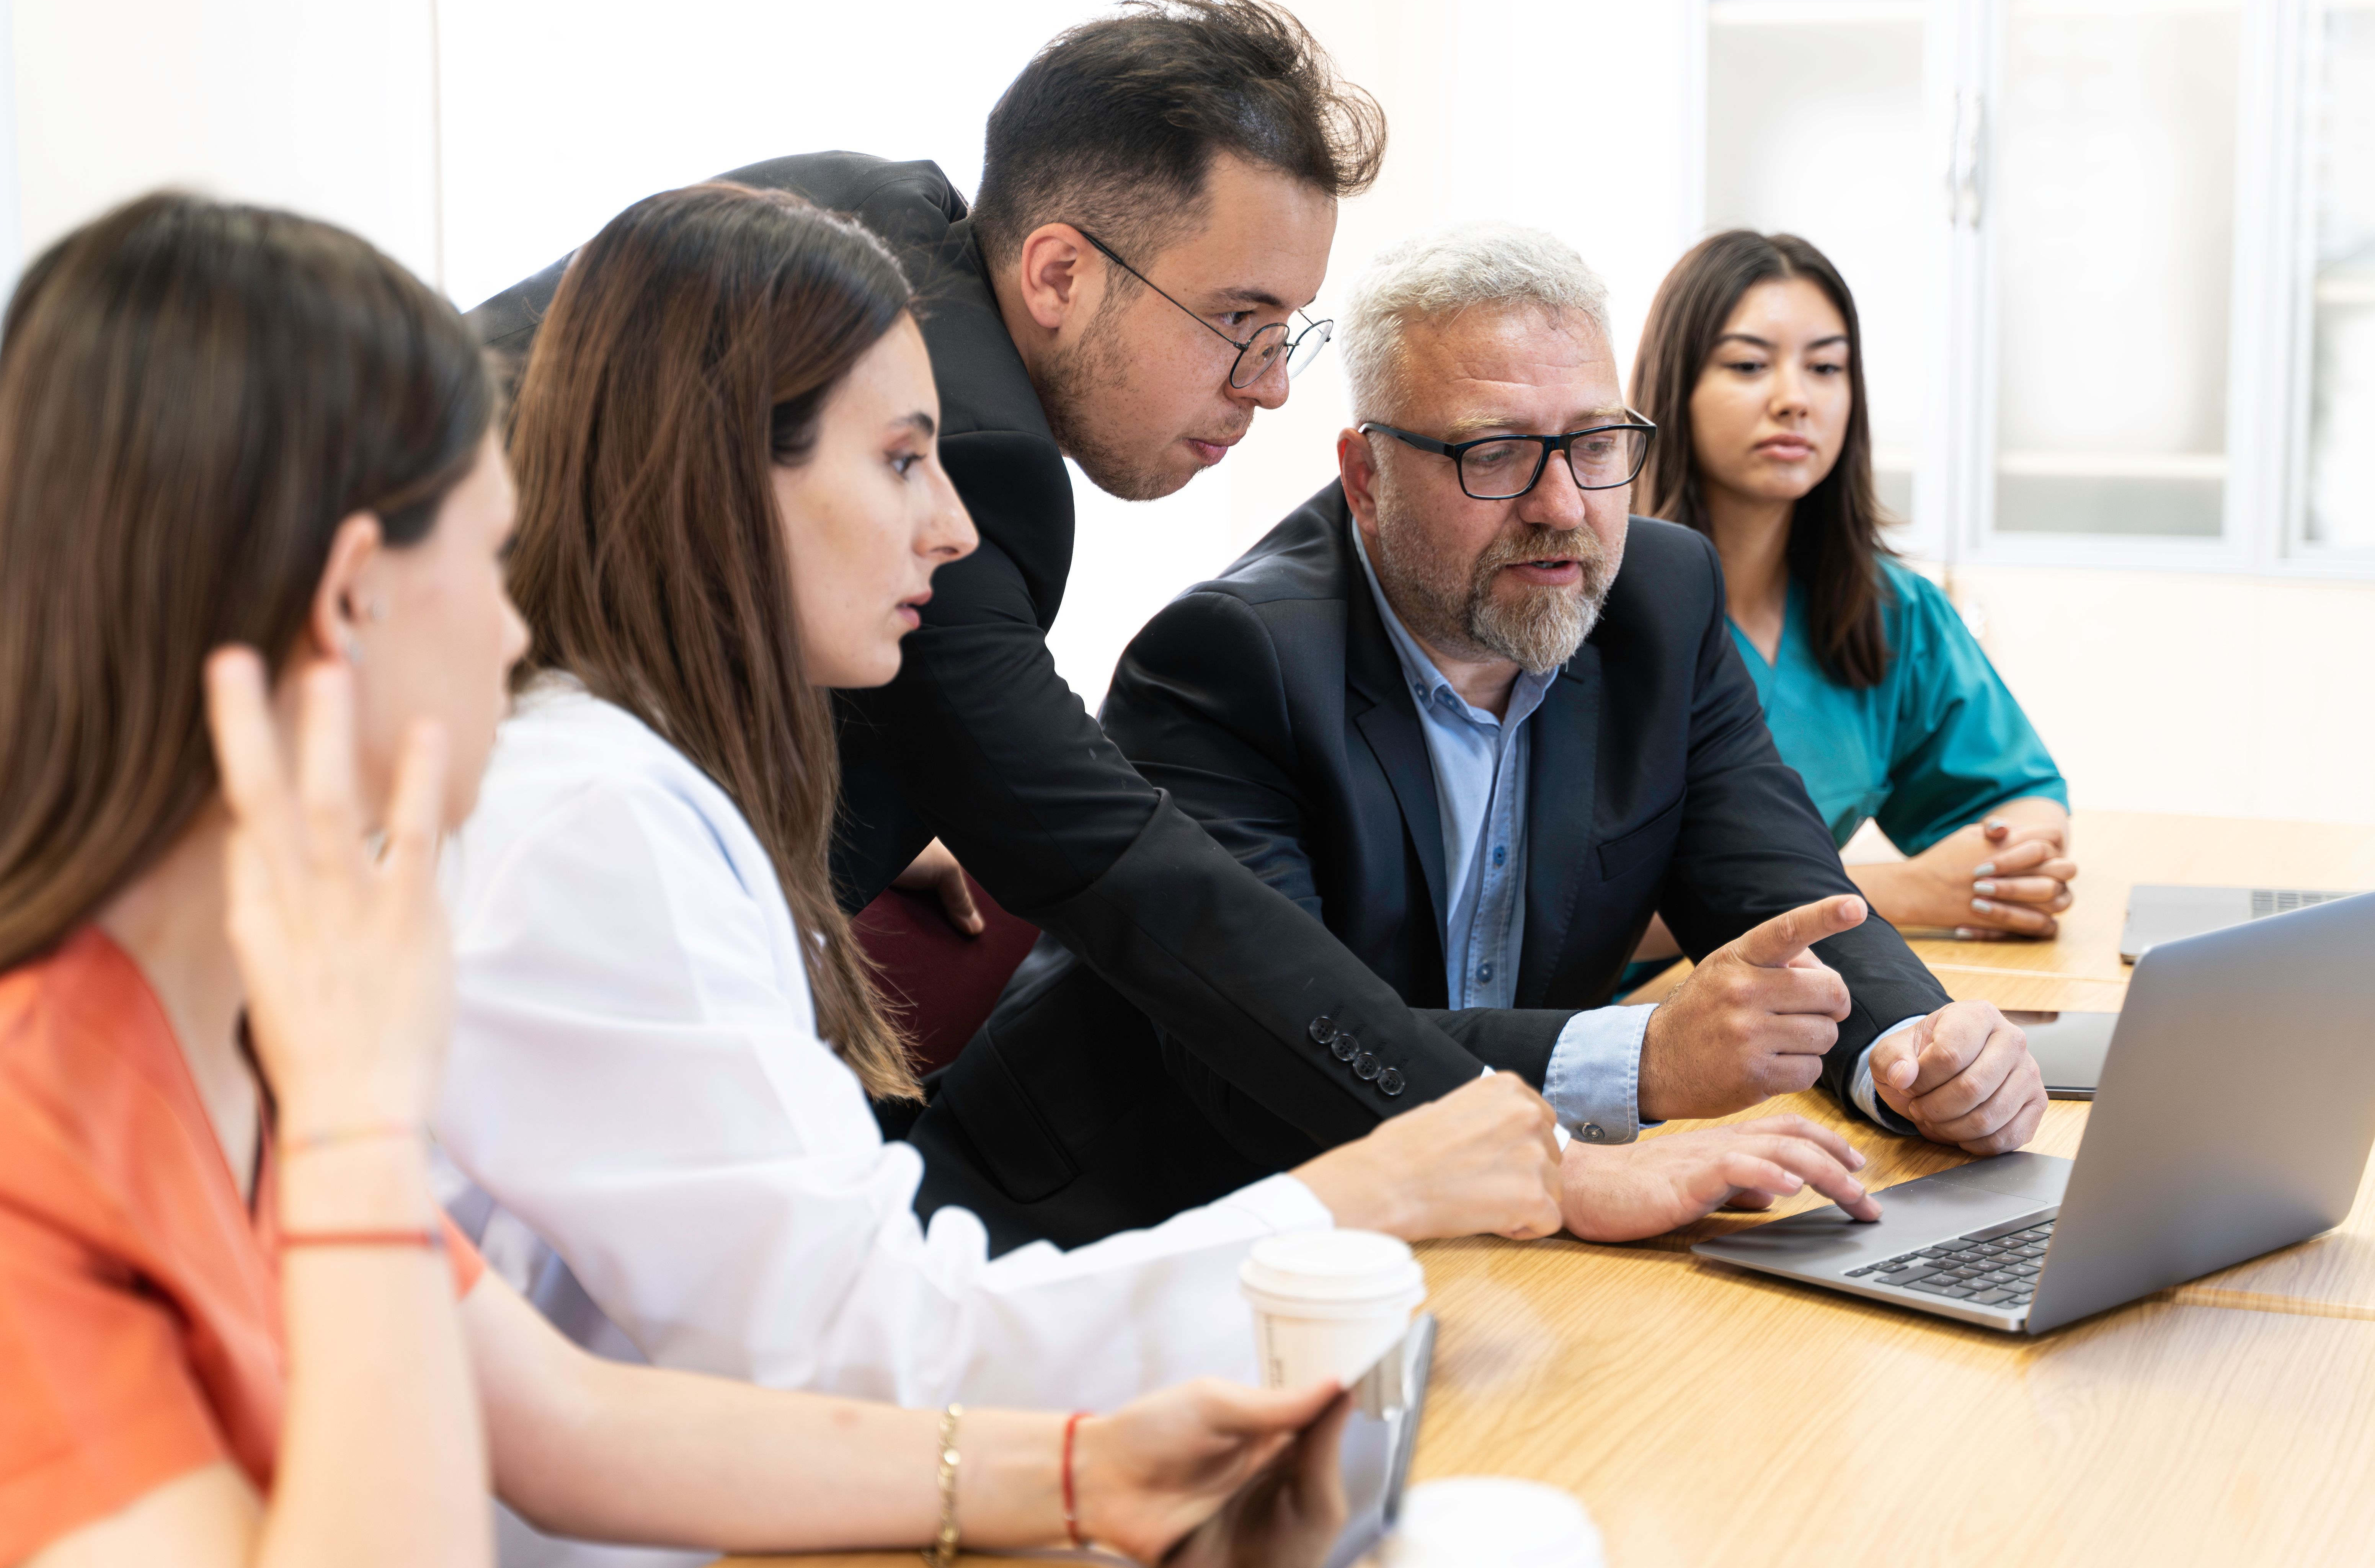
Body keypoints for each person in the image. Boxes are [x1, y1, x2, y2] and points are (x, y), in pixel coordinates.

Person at [0, 192, 1358, 1568]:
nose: (517, 625)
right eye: (485, 558)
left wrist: (1081, 1474)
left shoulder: (235, 1033)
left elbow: (569, 1426)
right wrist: (351, 1135)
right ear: (354, 605)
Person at [439, 181, 1560, 1399]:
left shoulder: (645, 795)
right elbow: (871, 1347)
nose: (953, 529)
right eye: (901, 460)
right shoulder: (603, 829)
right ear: (715, 478)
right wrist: (1360, 1192)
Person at [464, 0, 1573, 1162]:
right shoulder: (978, 459)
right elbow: (1122, 869)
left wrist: (915, 788)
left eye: (1285, 328)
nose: (1269, 385)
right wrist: (1503, 1147)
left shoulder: (862, 203)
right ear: (1056, 275)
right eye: (1237, 320)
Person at [908, 224, 2050, 1250]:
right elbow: (1269, 1059)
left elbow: (1781, 893)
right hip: (1130, 1238)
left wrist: (1915, 1051)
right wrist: (1639, 1061)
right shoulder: (1228, 661)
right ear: (1362, 476)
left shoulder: (1654, 596)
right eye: (1493, 454)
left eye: (1596, 443)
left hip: (1469, 1241)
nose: (1563, 505)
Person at [1627, 230, 2074, 955]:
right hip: (1617, 1028)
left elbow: (2019, 805)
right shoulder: (1591, 615)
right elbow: (1565, 915)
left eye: (1826, 367)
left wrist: (2006, 868)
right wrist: (1901, 891)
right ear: (1673, 386)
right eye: (1747, 365)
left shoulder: (1893, 614)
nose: (1793, 400)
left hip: (1798, 1002)